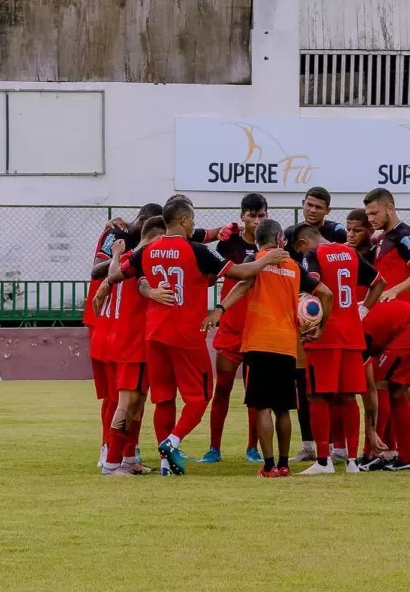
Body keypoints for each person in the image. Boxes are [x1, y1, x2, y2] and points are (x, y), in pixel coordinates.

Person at [104, 201, 286, 476]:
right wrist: (268, 259)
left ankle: (165, 464)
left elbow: (116, 275)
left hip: (154, 334)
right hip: (186, 335)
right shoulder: (197, 251)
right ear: (186, 220)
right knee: (200, 398)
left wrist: (119, 258)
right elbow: (242, 272)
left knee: (163, 399)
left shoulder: (147, 251)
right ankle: (171, 442)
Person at [204, 219, 332, 478]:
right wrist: (320, 327)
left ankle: (268, 466)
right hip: (287, 345)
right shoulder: (294, 266)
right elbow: (326, 294)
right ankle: (284, 465)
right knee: (283, 408)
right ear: (279, 239)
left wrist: (220, 309)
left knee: (262, 405)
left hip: (259, 342)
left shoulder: (257, 262)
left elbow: (242, 285)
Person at [290, 223, 385, 475]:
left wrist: (315, 323)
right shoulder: (351, 253)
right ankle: (352, 462)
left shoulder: (313, 255)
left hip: (325, 338)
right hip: (352, 336)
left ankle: (323, 462)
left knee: (317, 396)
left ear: (302, 244)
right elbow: (379, 282)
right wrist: (362, 309)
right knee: (347, 397)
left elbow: (322, 293)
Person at [92, 217, 172, 475]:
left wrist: (107, 279)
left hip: (128, 341)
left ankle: (128, 458)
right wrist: (152, 293)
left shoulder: (125, 256)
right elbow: (141, 282)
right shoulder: (145, 259)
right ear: (157, 237)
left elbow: (111, 275)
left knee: (136, 402)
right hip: (131, 343)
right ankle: (112, 463)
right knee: (126, 404)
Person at [200, 193, 269, 465]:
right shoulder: (229, 242)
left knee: (255, 393)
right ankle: (214, 448)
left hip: (258, 327)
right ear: (241, 216)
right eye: (251, 215)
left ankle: (253, 448)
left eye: (260, 215)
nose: (255, 220)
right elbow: (209, 275)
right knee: (224, 389)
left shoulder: (273, 243)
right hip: (230, 326)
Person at [284, 187, 347, 463]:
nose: (312, 210)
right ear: (302, 204)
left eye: (318, 207)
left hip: (334, 315)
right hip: (302, 315)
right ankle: (309, 444)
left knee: (334, 387)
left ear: (327, 211)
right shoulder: (291, 234)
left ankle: (337, 445)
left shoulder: (338, 234)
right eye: (309, 205)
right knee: (302, 382)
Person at [357, 299, 410, 472]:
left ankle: (372, 455)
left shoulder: (359, 333)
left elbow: (371, 389)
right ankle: (406, 458)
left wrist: (371, 432)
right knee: (397, 391)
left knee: (380, 383)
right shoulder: (364, 317)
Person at [362, 188, 410, 305]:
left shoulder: (405, 236)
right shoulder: (382, 236)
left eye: (374, 213)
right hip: (385, 309)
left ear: (390, 208)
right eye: (368, 215)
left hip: (401, 312)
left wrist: (394, 291)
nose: (370, 219)